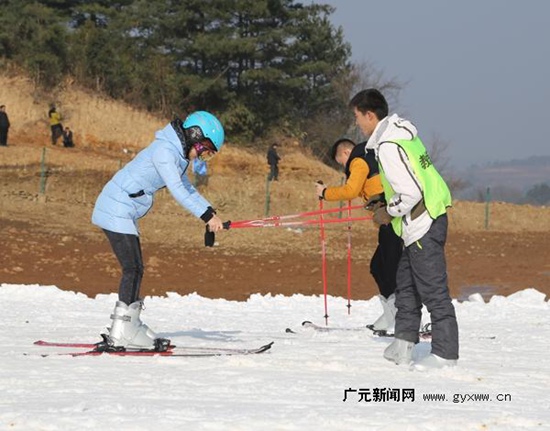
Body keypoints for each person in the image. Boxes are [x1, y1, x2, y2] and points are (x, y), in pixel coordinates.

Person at [91, 110, 226, 352]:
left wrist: (209, 213)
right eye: (205, 147)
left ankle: (129, 325)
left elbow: (186, 187)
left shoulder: (176, 155)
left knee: (135, 268)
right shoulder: (165, 152)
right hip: (116, 207)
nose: (204, 154)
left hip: (123, 209)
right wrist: (205, 216)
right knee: (133, 268)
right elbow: (177, 189)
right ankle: (122, 331)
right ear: (195, 135)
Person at [349, 88, 458, 371]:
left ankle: (445, 355)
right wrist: (384, 201)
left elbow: (409, 193)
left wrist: (388, 212)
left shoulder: (387, 146)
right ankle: (403, 344)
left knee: (433, 290)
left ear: (370, 115)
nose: (357, 124)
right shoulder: (401, 133)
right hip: (422, 221)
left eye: (358, 117)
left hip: (423, 222)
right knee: (406, 286)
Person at [315, 138, 402, 334]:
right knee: (379, 266)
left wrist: (325, 193)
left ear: (346, 153)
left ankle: (404, 314)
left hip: (393, 221)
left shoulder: (359, 161)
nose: (345, 168)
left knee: (389, 268)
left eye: (341, 163)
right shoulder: (368, 157)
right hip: (388, 220)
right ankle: (392, 313)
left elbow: (350, 190)